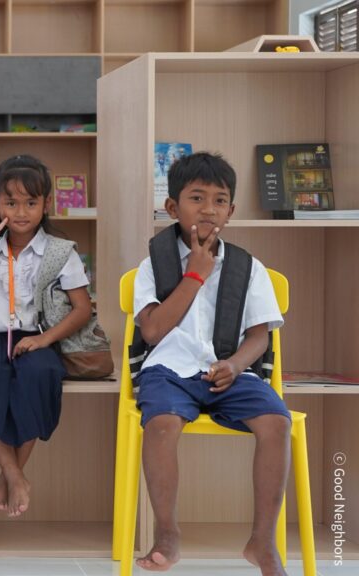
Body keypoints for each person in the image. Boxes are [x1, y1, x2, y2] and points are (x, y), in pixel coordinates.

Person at [132, 152, 289, 575]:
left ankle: (262, 542)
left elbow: (259, 335)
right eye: (196, 198)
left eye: (220, 200)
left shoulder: (247, 267)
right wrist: (195, 275)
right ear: (172, 207)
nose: (208, 209)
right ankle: (167, 532)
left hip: (229, 370)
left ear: (231, 211)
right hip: (168, 368)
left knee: (277, 422)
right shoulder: (154, 263)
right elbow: (151, 332)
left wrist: (237, 365)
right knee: (161, 424)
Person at [0, 155, 92, 518]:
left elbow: (82, 309)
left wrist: (43, 341)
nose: (22, 211)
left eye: (31, 202)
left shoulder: (61, 251)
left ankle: (10, 475)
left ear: (46, 204)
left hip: (39, 336)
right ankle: (13, 473)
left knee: (40, 376)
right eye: (11, 202)